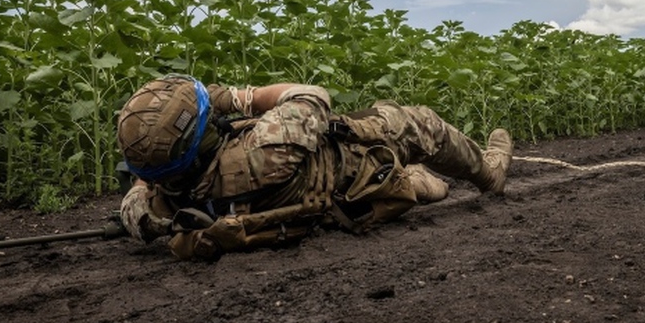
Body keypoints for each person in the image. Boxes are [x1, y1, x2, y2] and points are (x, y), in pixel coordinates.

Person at [117, 74, 513, 261]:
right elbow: (310, 97)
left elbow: (136, 203)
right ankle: (488, 174)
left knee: (421, 184)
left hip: (327, 203)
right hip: (356, 164)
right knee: (424, 124)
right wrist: (234, 98)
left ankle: (419, 183)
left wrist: (150, 175)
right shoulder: (264, 150)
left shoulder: (159, 205)